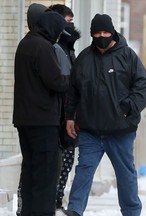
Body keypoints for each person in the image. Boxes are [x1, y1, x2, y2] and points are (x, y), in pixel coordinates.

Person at [59, 14, 146, 216]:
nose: (102, 36)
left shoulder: (128, 56)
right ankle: (75, 209)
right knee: (84, 170)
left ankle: (131, 211)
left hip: (121, 130)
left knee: (125, 174)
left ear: (113, 32)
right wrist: (70, 118)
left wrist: (128, 107)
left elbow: (143, 87)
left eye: (105, 32)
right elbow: (73, 92)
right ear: (92, 34)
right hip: (90, 130)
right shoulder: (84, 58)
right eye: (97, 33)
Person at [13, 10, 70, 216]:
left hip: (24, 120)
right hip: (43, 120)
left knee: (30, 171)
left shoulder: (25, 44)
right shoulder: (43, 47)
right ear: (52, 28)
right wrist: (71, 80)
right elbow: (55, 81)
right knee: (46, 175)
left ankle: (28, 212)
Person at [49, 4, 81, 211]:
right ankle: (49, 203)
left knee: (66, 164)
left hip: (67, 116)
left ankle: (56, 201)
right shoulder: (54, 49)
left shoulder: (69, 49)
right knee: (54, 165)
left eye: (72, 22)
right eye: (67, 23)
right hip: (56, 118)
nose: (72, 26)